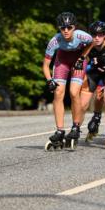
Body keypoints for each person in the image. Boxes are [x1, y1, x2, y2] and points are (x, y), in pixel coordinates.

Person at [42, 12, 92, 150]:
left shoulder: (82, 36)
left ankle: (76, 127)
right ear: (59, 28)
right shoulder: (55, 41)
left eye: (69, 27)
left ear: (74, 27)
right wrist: (49, 80)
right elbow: (46, 65)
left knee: (74, 92)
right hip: (62, 62)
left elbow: (92, 42)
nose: (66, 31)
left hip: (78, 61)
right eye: (62, 28)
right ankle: (60, 130)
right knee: (58, 92)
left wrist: (83, 57)